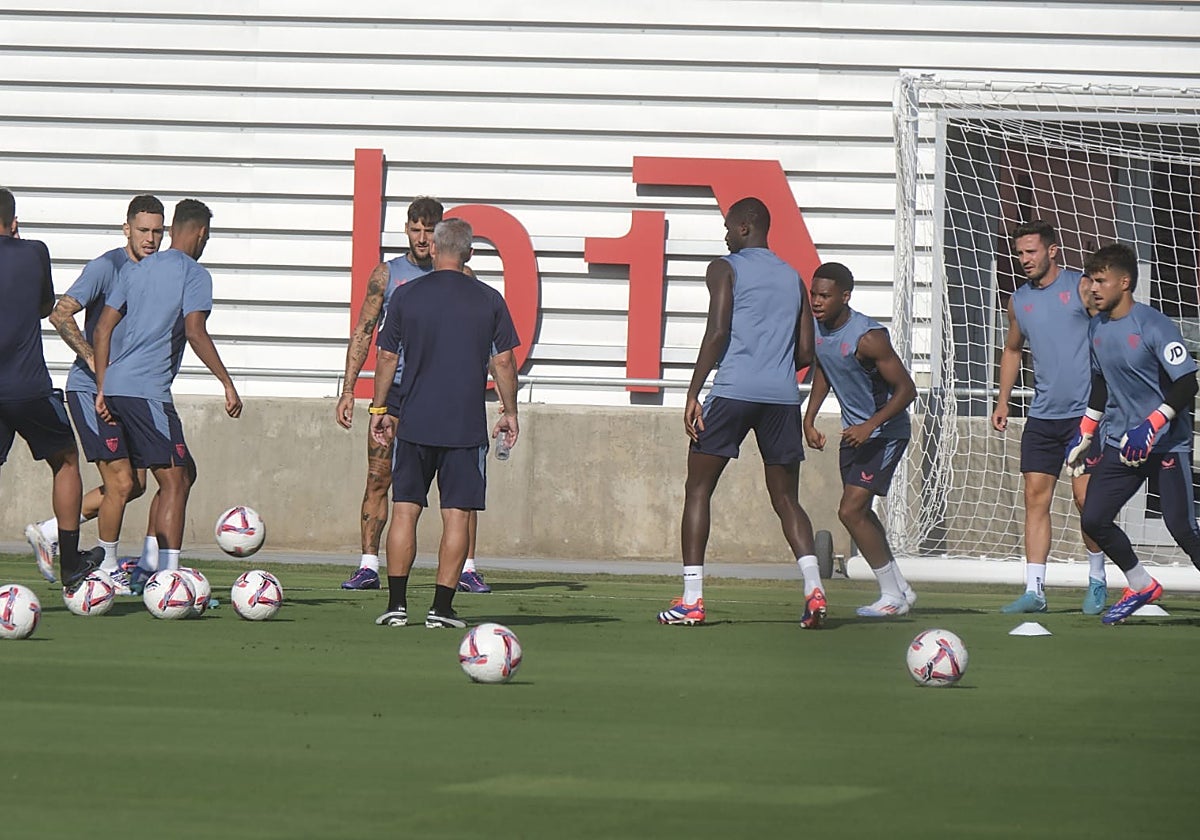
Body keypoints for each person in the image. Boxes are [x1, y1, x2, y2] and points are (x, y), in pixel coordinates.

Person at [657, 197, 823, 628]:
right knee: (787, 499)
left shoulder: (724, 267)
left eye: (728, 226)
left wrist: (694, 391)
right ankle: (813, 588)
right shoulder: (793, 277)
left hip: (733, 392)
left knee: (698, 489)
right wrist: (774, 368)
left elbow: (718, 331)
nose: (725, 234)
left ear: (746, 227)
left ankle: (692, 599)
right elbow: (807, 350)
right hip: (783, 398)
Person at [368, 217, 519, 629]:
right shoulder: (489, 299)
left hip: (414, 420)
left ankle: (397, 604)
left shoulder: (406, 296)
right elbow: (503, 361)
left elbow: (386, 357)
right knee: (457, 516)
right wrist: (510, 411)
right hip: (464, 425)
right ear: (469, 253)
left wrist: (380, 411)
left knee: (404, 510)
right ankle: (441, 607)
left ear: (433, 249)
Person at [336, 197, 492, 594]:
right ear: (406, 229)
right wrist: (350, 388)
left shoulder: (466, 278)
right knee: (378, 476)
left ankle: (468, 567)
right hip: (398, 392)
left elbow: (485, 341)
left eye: (429, 230)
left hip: (442, 394)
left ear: (440, 235)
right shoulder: (388, 275)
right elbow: (364, 331)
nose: (422, 238)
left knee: (460, 491)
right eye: (415, 229)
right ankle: (369, 564)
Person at [92, 199, 242, 583]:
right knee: (174, 479)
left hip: (117, 387)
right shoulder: (195, 274)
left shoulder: (136, 269)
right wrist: (226, 382)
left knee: (174, 473)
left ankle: (141, 566)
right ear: (202, 233)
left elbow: (102, 328)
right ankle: (170, 576)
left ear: (171, 229)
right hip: (147, 392)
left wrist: (103, 388)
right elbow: (195, 331)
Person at [25, 195, 166, 593]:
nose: (150, 239)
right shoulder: (107, 266)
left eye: (157, 231)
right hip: (91, 390)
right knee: (121, 483)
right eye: (143, 231)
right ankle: (107, 567)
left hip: (131, 394)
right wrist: (91, 358)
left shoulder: (160, 272)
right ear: (127, 229)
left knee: (134, 485)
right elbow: (60, 312)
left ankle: (49, 531)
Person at [1066, 243, 1200, 624]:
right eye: (1091, 279)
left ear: (1125, 283)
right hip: (1122, 446)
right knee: (1093, 519)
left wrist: (1152, 424)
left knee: (1182, 528)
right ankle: (1141, 584)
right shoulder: (1096, 328)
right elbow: (1100, 384)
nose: (1092, 288)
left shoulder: (1153, 324)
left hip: (1166, 445)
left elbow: (1188, 381)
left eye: (1101, 280)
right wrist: (1086, 431)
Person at [990, 220, 1108, 615]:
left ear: (1052, 250)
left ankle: (1097, 581)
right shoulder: (1019, 301)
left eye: (1031, 252)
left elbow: (1108, 331)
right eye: (1020, 253)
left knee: (1086, 501)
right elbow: (1011, 350)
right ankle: (1035, 591)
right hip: (1042, 417)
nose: (1024, 260)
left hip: (1084, 417)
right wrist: (1003, 400)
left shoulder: (1080, 288)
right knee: (1034, 499)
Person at [0, 187, 103, 592]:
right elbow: (46, 307)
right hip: (27, 386)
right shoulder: (34, 251)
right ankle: (71, 564)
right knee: (65, 461)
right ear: (14, 222)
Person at [803, 262, 918, 616]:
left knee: (850, 511)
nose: (817, 302)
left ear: (845, 296)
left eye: (825, 295)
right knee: (860, 513)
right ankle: (901, 589)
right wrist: (808, 418)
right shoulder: (818, 330)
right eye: (814, 294)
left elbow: (907, 390)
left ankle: (891, 598)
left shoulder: (869, 337)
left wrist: (870, 425)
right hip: (855, 435)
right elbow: (825, 367)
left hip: (885, 434)